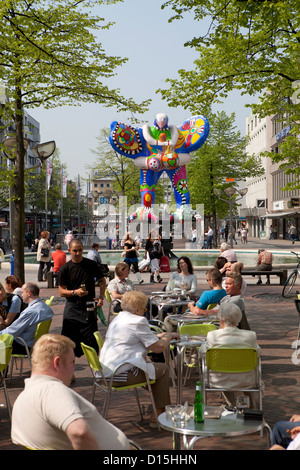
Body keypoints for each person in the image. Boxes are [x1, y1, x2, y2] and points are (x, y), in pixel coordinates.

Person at [11, 334, 130, 450]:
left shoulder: (22, 399)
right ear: (57, 363)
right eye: (72, 362)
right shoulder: (51, 389)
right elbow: (79, 432)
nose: (73, 368)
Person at [100, 290, 180, 427]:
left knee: (152, 369)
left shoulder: (119, 318)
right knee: (163, 370)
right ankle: (159, 414)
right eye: (144, 308)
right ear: (137, 309)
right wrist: (169, 336)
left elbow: (134, 338)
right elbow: (159, 348)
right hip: (120, 374)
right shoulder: (138, 321)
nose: (145, 311)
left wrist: (158, 337)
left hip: (105, 372)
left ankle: (158, 408)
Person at [200, 303, 261, 408]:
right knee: (248, 371)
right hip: (246, 380)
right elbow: (258, 354)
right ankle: (252, 408)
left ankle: (231, 405)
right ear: (239, 318)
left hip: (218, 380)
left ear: (220, 319)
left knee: (222, 369)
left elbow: (202, 353)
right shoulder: (250, 336)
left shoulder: (213, 335)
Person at [58, 239, 106, 358]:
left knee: (92, 341)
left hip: (89, 306)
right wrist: (75, 292)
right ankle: (69, 373)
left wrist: (101, 297)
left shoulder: (91, 264)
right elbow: (61, 291)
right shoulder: (65, 268)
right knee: (67, 342)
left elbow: (102, 280)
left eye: (80, 250)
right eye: (75, 251)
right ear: (69, 251)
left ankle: (96, 372)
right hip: (72, 307)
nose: (78, 253)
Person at [0, 283, 53, 354]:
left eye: (22, 292)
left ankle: (3, 365)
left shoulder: (30, 312)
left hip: (23, 345)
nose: (21, 295)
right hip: (34, 343)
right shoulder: (45, 307)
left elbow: (12, 331)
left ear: (29, 293)